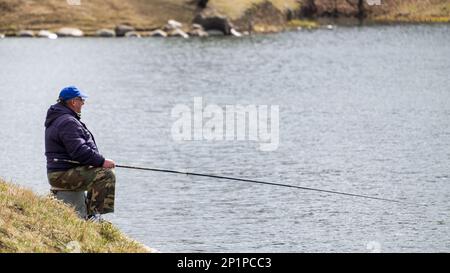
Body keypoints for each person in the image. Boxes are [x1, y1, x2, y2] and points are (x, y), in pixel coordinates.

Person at [44, 86, 116, 221]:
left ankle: (91, 214)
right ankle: (93, 217)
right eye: (81, 100)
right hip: (61, 175)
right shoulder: (67, 122)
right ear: (73, 102)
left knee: (101, 171)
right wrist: (102, 162)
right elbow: (79, 151)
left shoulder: (63, 118)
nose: (83, 103)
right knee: (105, 175)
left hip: (63, 172)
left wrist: (97, 161)